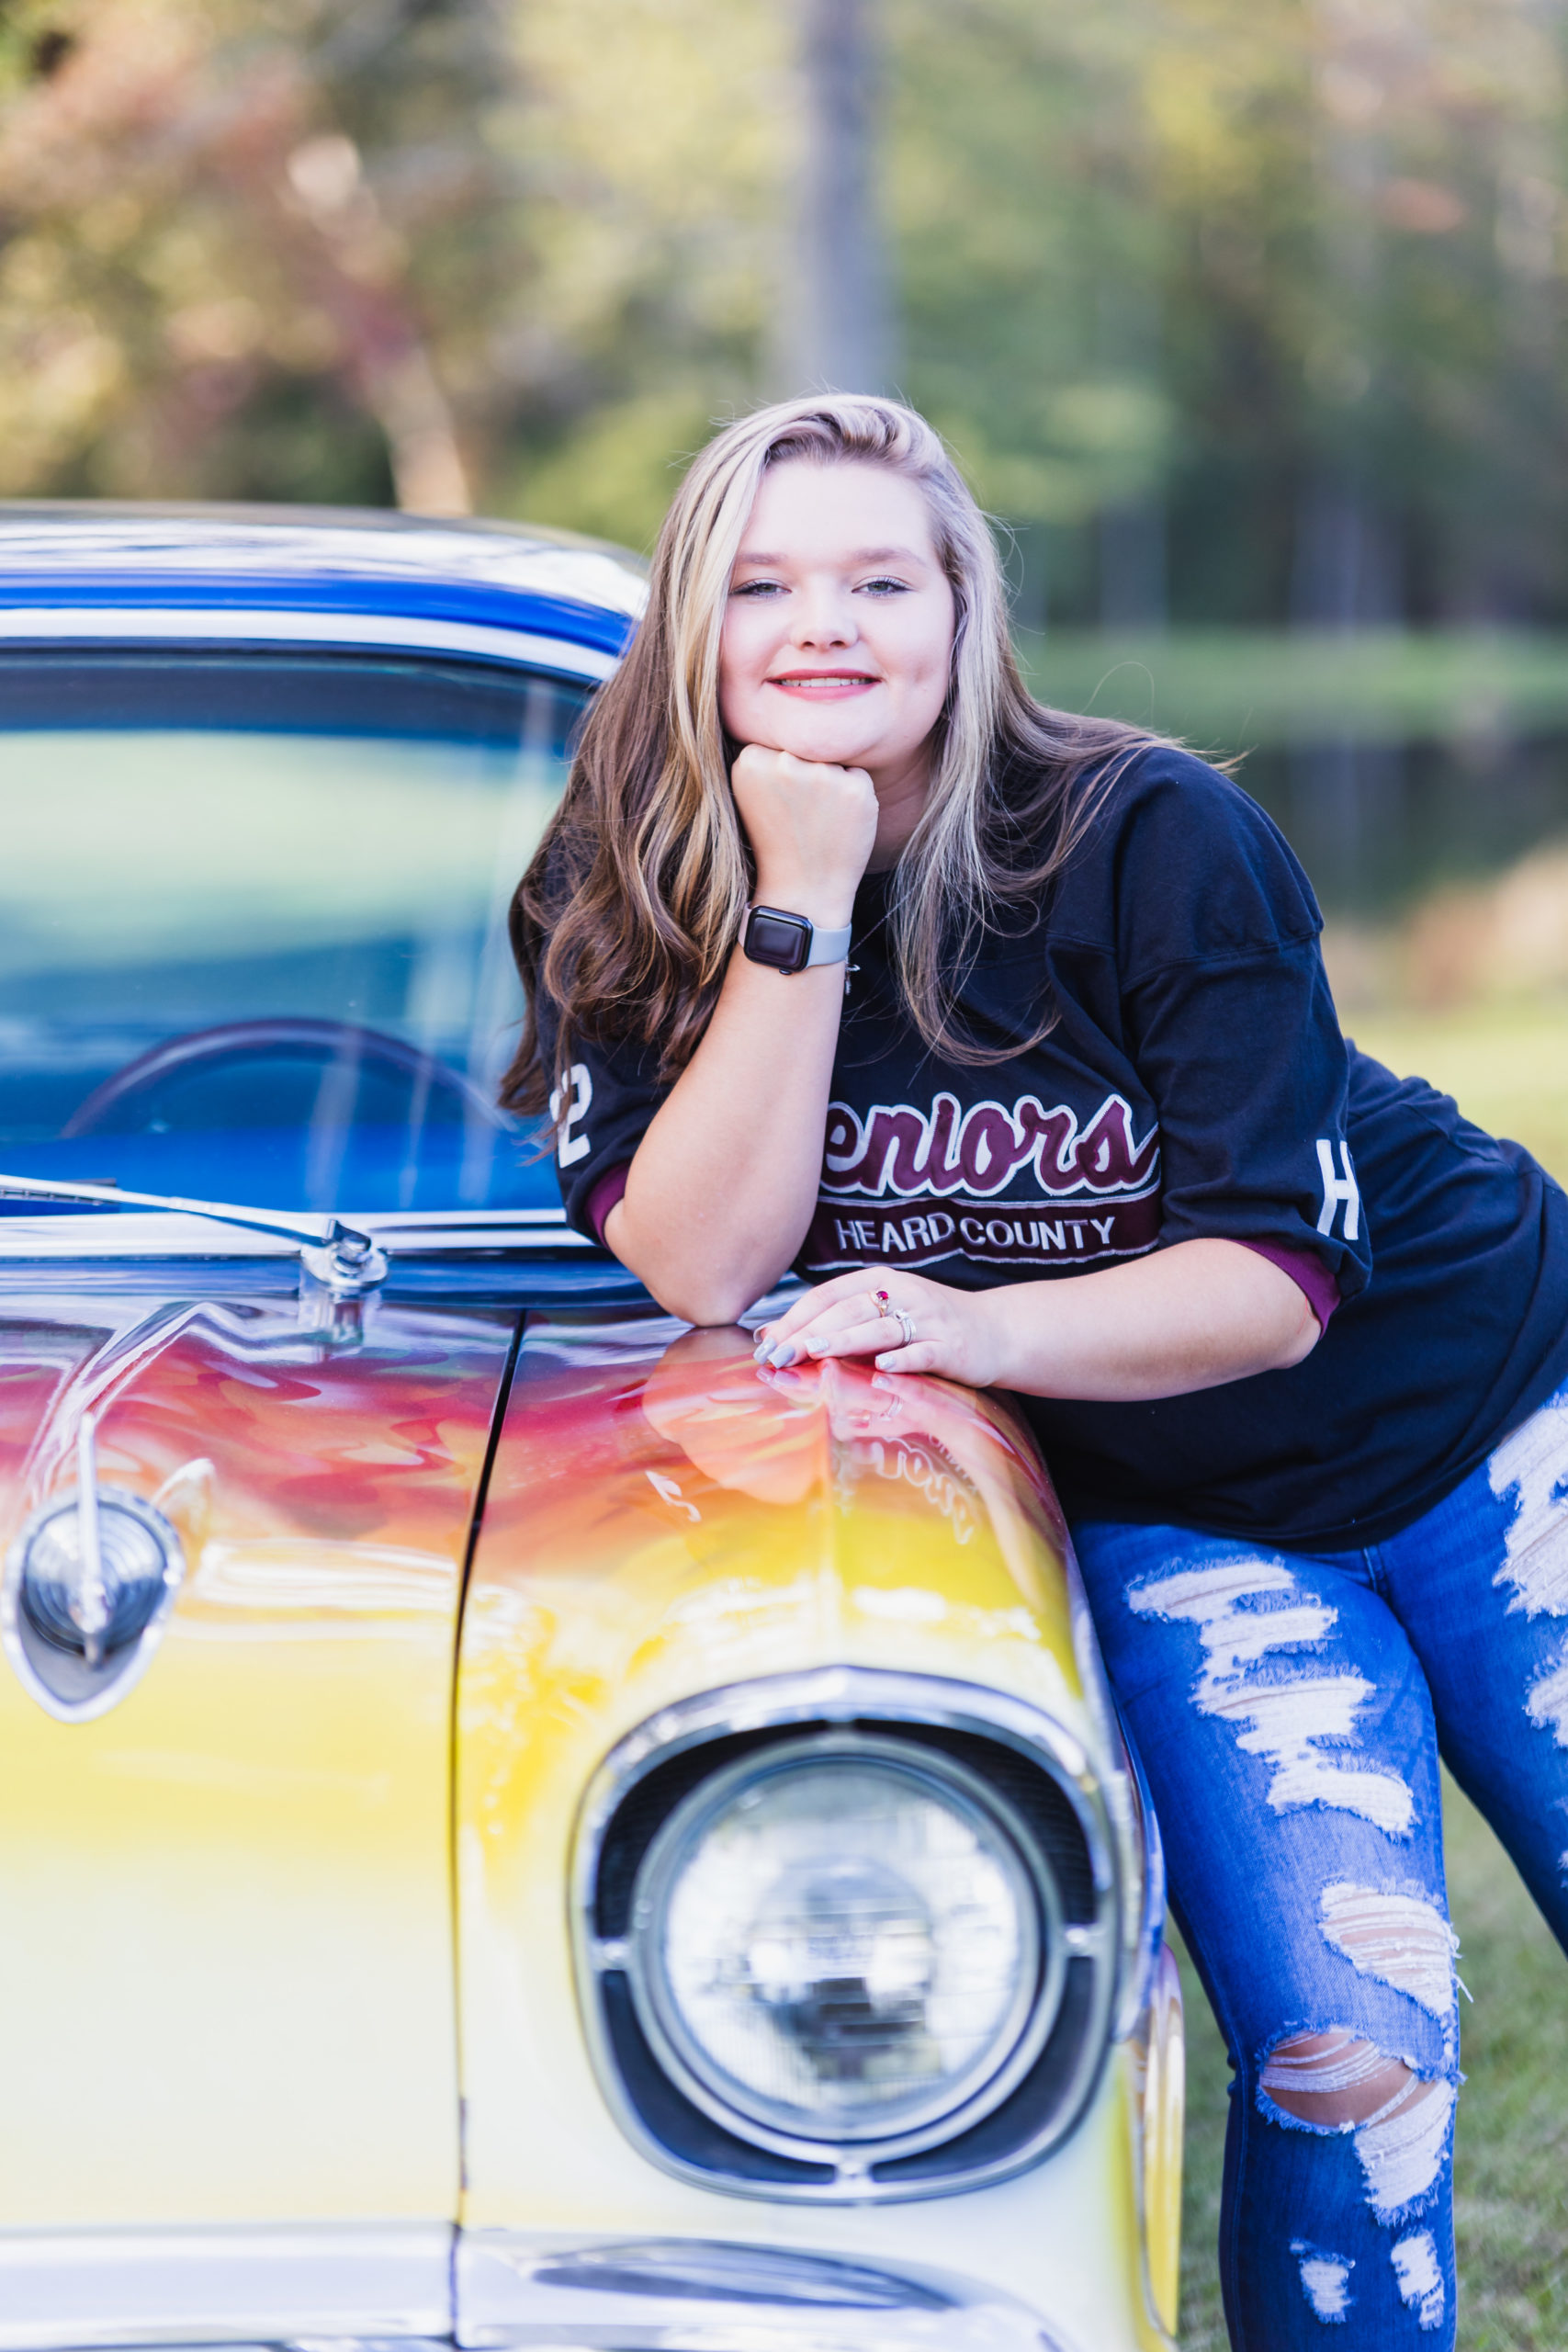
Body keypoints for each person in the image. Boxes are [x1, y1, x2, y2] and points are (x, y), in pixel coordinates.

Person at [503, 393, 1568, 2351]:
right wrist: (795, 897)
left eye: (875, 577)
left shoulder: (1148, 835)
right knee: (1350, 2055)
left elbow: (1269, 1274)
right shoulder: (621, 891)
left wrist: (973, 1327)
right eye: (760, 583)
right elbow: (705, 1259)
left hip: (1490, 1410)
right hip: (1178, 1514)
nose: (822, 622)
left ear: (957, 605)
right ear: (689, 621)